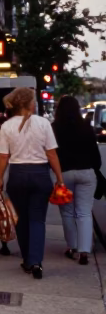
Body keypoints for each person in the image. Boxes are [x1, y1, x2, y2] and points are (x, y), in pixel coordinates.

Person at [0, 86, 64, 279]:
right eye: (33, 100)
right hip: (40, 174)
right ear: (29, 104)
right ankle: (36, 261)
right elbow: (51, 153)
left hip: (17, 174)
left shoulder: (7, 126)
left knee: (21, 219)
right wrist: (59, 178)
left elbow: (3, 157)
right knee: (37, 220)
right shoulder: (43, 124)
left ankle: (27, 258)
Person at [52, 94, 101, 265]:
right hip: (86, 172)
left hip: (64, 174)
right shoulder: (86, 127)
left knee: (67, 212)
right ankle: (84, 251)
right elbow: (96, 157)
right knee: (84, 212)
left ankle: (72, 247)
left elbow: (51, 153)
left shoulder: (55, 128)